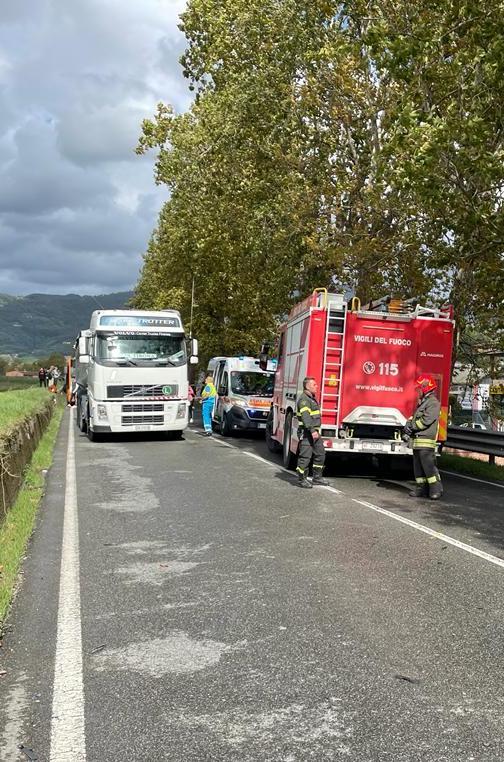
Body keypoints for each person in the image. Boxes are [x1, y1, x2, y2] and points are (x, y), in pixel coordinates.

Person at [403, 374, 443, 500]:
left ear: (426, 388)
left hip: (425, 441)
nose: (417, 391)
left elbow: (426, 420)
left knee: (428, 466)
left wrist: (412, 426)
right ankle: (421, 488)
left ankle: (435, 489)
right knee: (418, 466)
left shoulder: (433, 403)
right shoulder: (423, 402)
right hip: (417, 440)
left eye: (419, 388)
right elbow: (415, 418)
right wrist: (408, 425)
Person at [296, 377, 328, 489]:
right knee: (305, 457)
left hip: (314, 433)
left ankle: (317, 477)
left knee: (320, 454)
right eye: (314, 384)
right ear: (307, 386)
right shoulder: (304, 400)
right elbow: (306, 417)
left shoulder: (311, 398)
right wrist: (312, 430)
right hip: (307, 432)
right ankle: (302, 479)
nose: (316, 386)